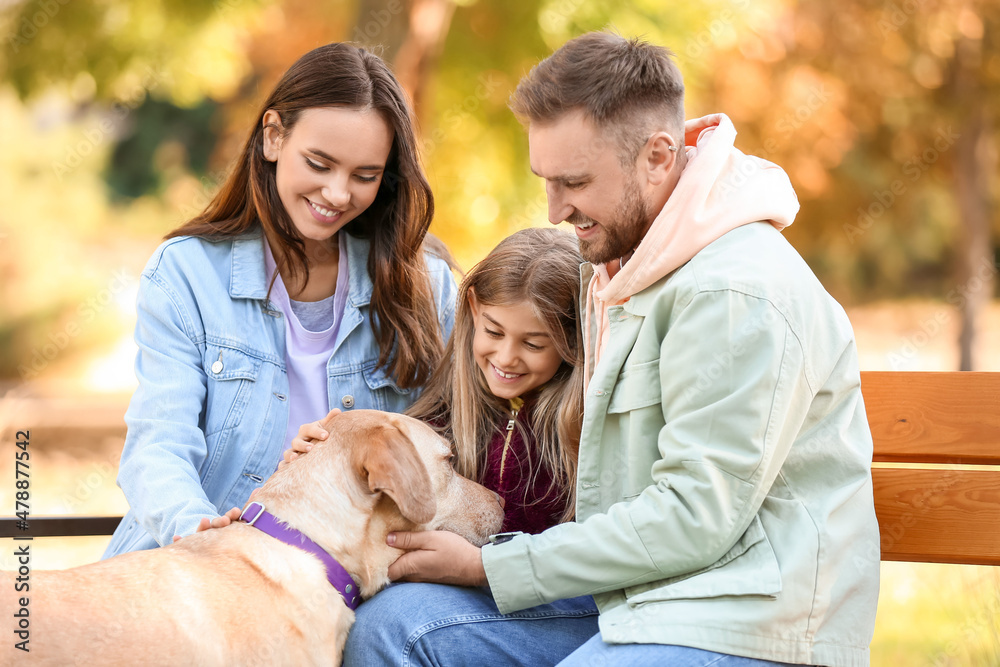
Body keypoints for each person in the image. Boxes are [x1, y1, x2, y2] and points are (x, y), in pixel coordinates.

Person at [350, 32, 881, 667]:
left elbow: (693, 516)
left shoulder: (734, 291)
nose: (553, 210)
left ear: (659, 156)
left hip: (739, 616)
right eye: (545, 180)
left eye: (574, 181)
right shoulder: (624, 269)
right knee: (390, 628)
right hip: (632, 597)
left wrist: (494, 566)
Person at [103, 42, 458, 557]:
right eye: (320, 163)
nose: (338, 194)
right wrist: (200, 531)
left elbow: (454, 448)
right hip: (198, 565)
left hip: (353, 577)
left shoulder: (423, 286)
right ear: (273, 136)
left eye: (365, 176)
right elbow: (157, 446)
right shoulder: (187, 273)